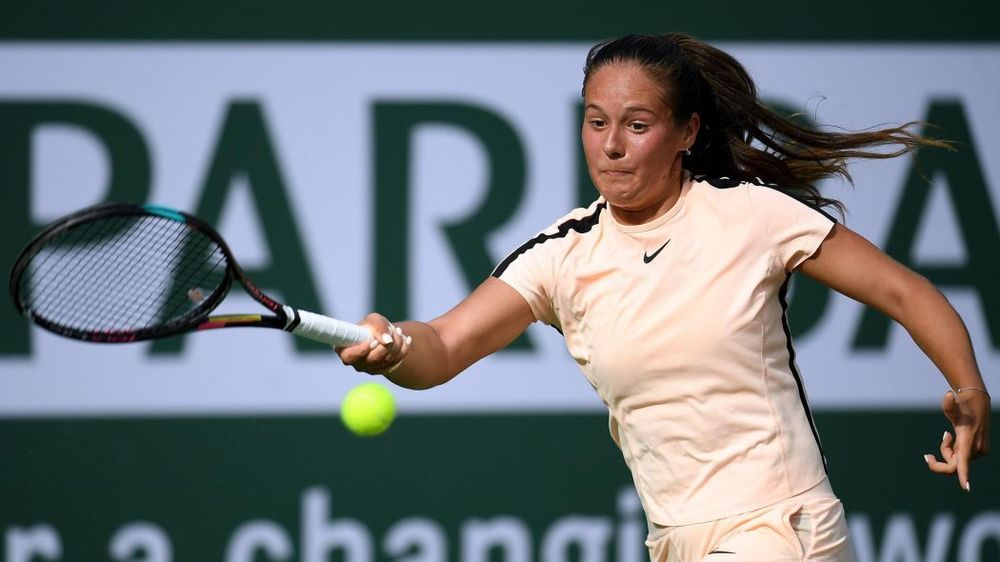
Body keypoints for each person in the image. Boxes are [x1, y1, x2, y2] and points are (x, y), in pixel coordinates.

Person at [337, 34, 991, 561]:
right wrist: (395, 346)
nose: (611, 145)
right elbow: (444, 345)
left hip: (784, 527)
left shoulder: (751, 215)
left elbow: (904, 291)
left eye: (637, 124)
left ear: (687, 131)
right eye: (596, 122)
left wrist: (968, 388)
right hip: (675, 540)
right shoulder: (561, 255)